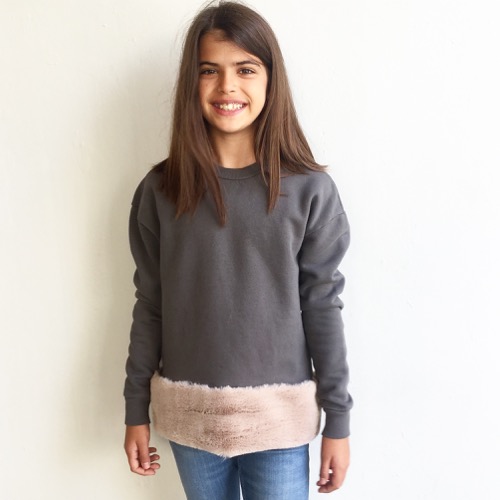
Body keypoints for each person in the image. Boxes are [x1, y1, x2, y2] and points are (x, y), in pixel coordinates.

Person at [123, 1, 353, 498]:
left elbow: (321, 304)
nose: (227, 86)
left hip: (279, 424)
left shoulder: (309, 191)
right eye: (210, 70)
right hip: (191, 418)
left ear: (270, 79)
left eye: (245, 69)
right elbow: (151, 304)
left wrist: (338, 419)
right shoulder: (161, 190)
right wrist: (134, 408)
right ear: (192, 83)